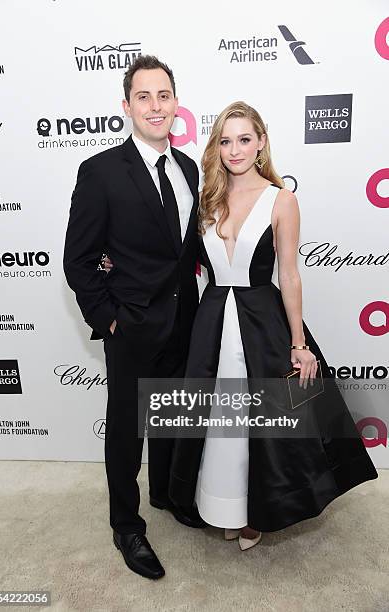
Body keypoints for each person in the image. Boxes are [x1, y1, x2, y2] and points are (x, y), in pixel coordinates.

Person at [168, 101, 378, 551]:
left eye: (244, 139)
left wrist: (299, 344)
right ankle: (223, 505)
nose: (234, 149)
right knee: (218, 419)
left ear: (261, 142)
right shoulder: (207, 197)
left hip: (262, 322)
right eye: (225, 140)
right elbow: (184, 262)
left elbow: (289, 274)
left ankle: (255, 514)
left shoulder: (281, 199)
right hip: (211, 322)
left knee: (258, 424)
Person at [63, 55, 204, 581]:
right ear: (127, 106)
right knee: (127, 431)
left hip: (183, 320)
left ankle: (167, 495)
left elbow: (185, 250)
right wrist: (111, 319)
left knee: (171, 417)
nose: (155, 106)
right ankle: (126, 524)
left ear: (175, 103)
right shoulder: (100, 171)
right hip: (132, 326)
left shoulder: (189, 167)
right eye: (143, 97)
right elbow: (78, 260)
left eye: (163, 95)